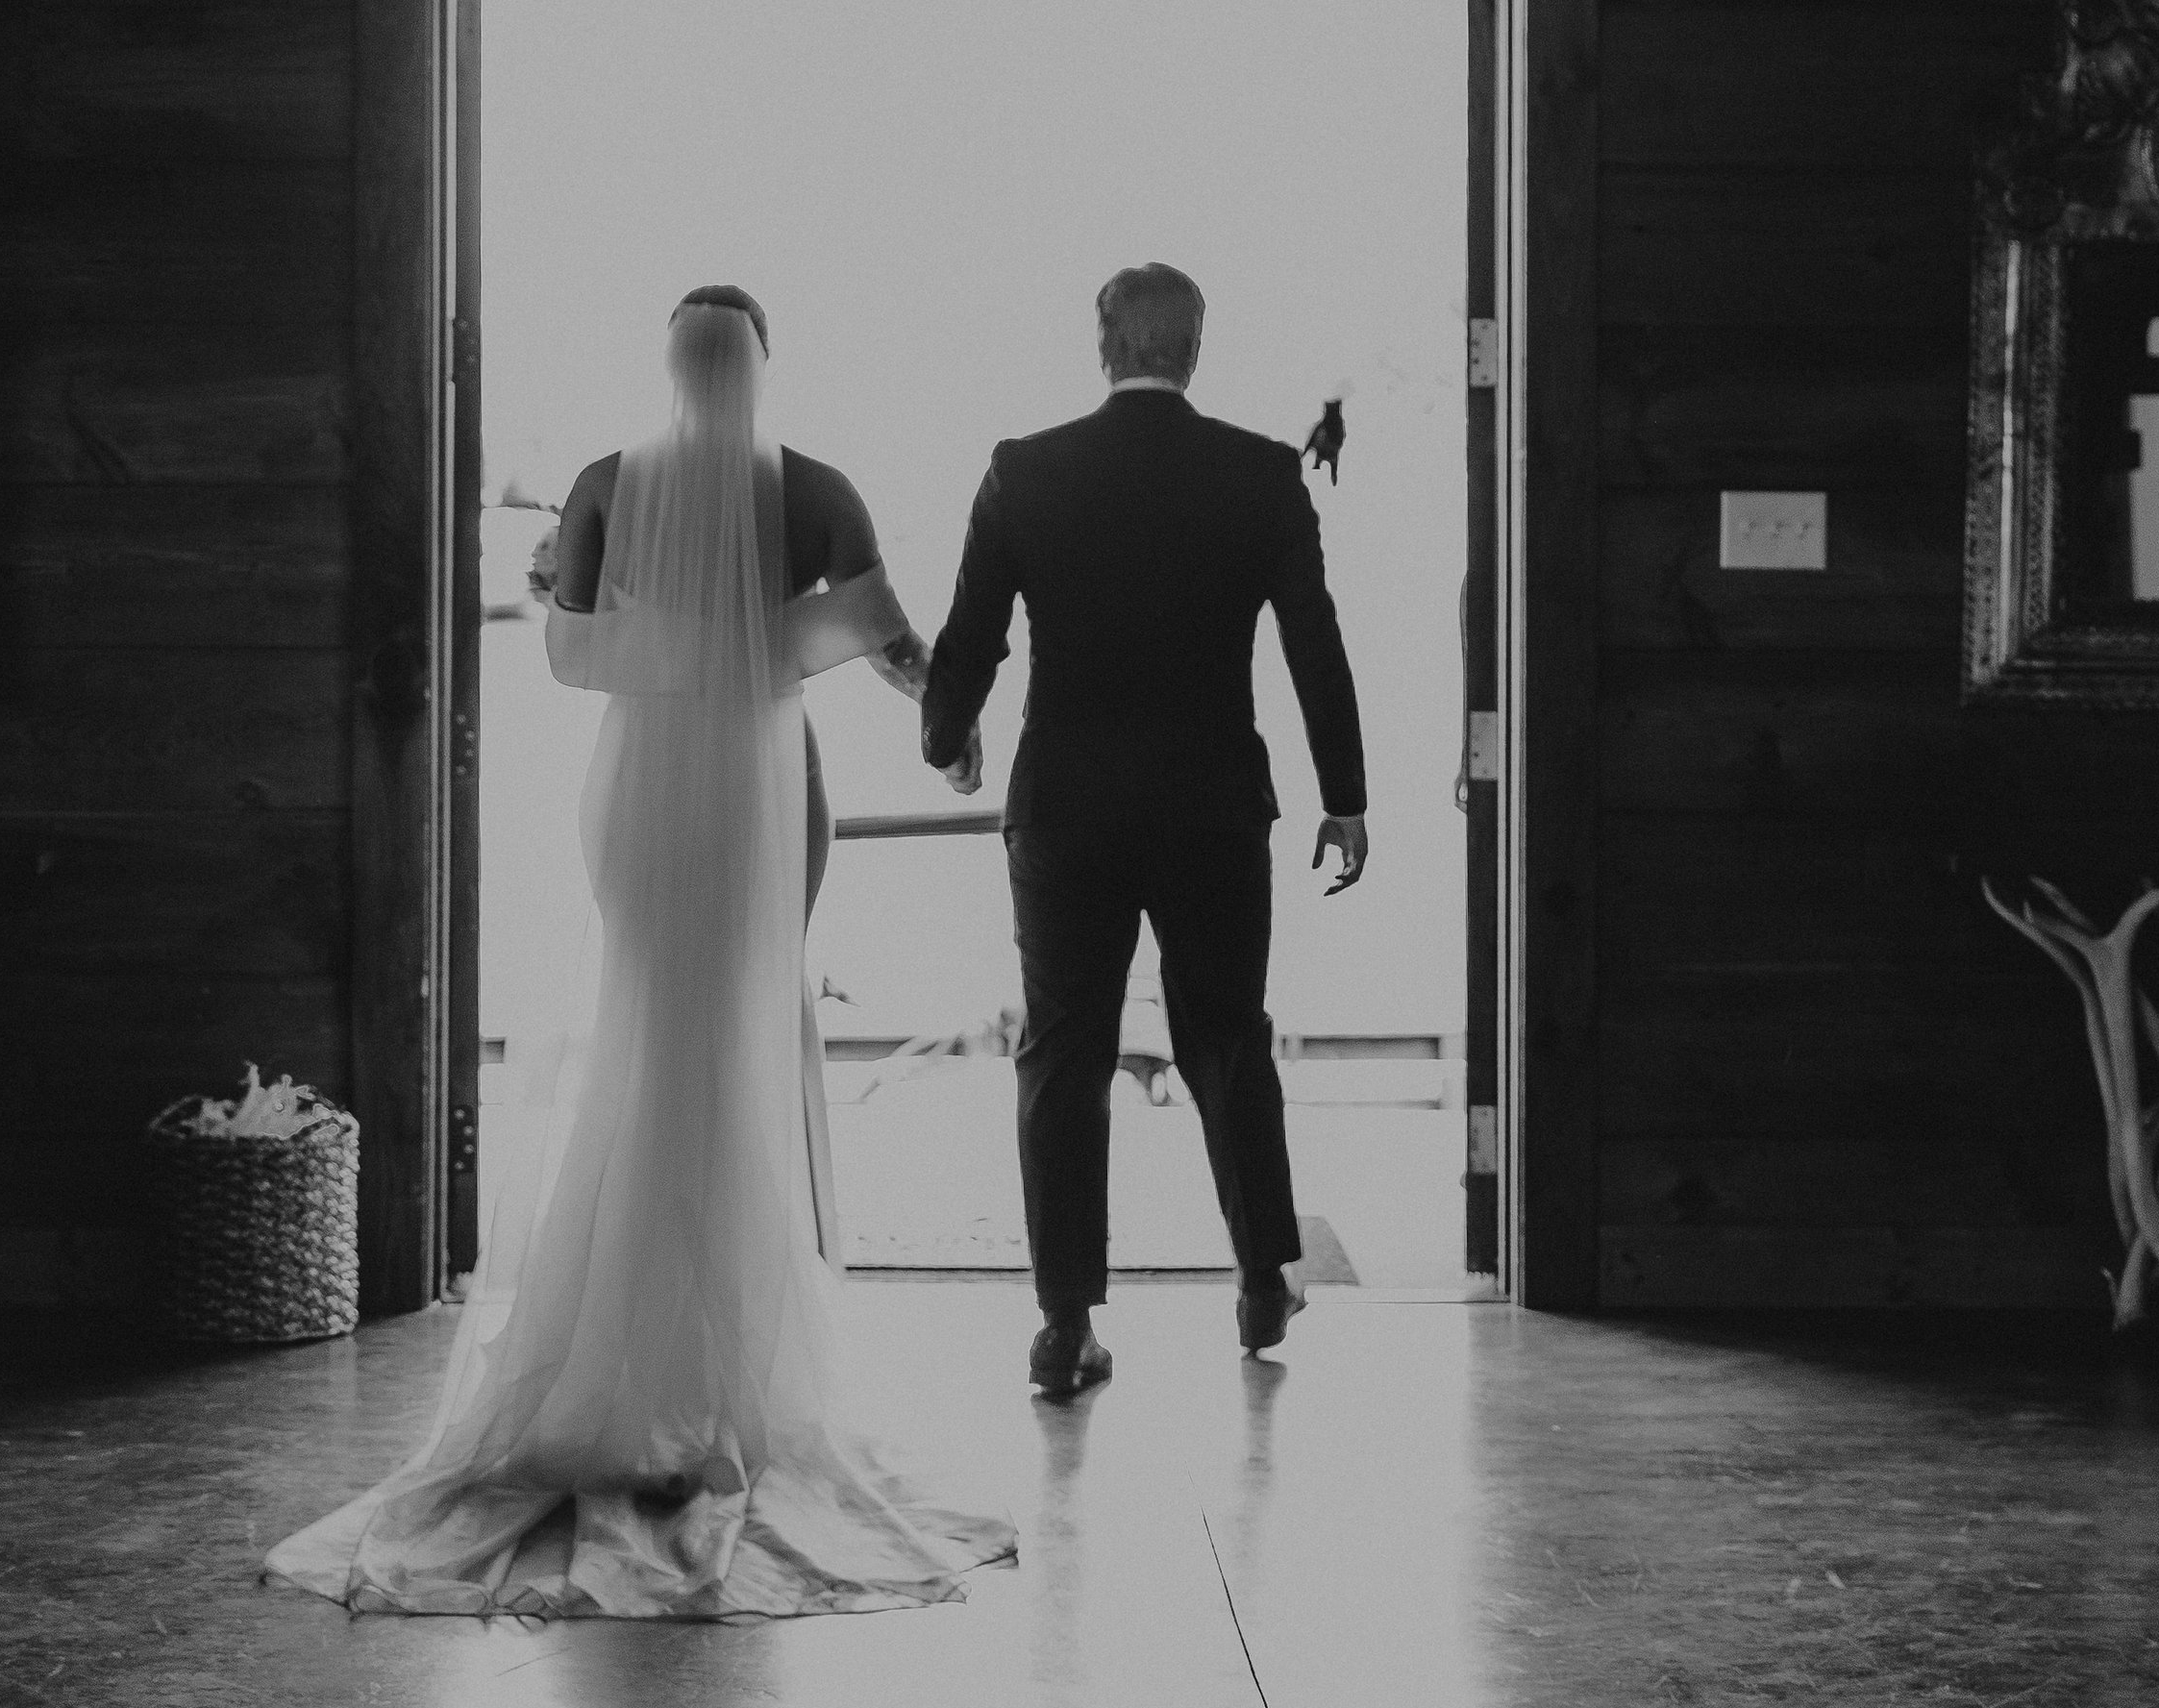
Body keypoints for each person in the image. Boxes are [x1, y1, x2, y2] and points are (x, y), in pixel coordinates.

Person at [263, 287, 1016, 1619]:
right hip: (765, 785)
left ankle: (625, 1348)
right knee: (744, 1026)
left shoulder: (607, 479)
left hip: (640, 789)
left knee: (649, 1020)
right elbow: (898, 648)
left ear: (670, 364)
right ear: (763, 366)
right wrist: (953, 736)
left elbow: (572, 644)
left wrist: (569, 580)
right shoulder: (819, 487)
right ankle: (738, 1363)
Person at [920, 263, 1367, 1399]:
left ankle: (1065, 1324)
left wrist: (945, 736)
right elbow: (1313, 641)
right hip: (1213, 801)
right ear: (1194, 350)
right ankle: (1263, 1275)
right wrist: (1345, 795)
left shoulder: (1025, 469)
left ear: (1104, 345)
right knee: (1227, 1034)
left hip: (1066, 803)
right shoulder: (1260, 475)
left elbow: (970, 632)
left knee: (1063, 1050)